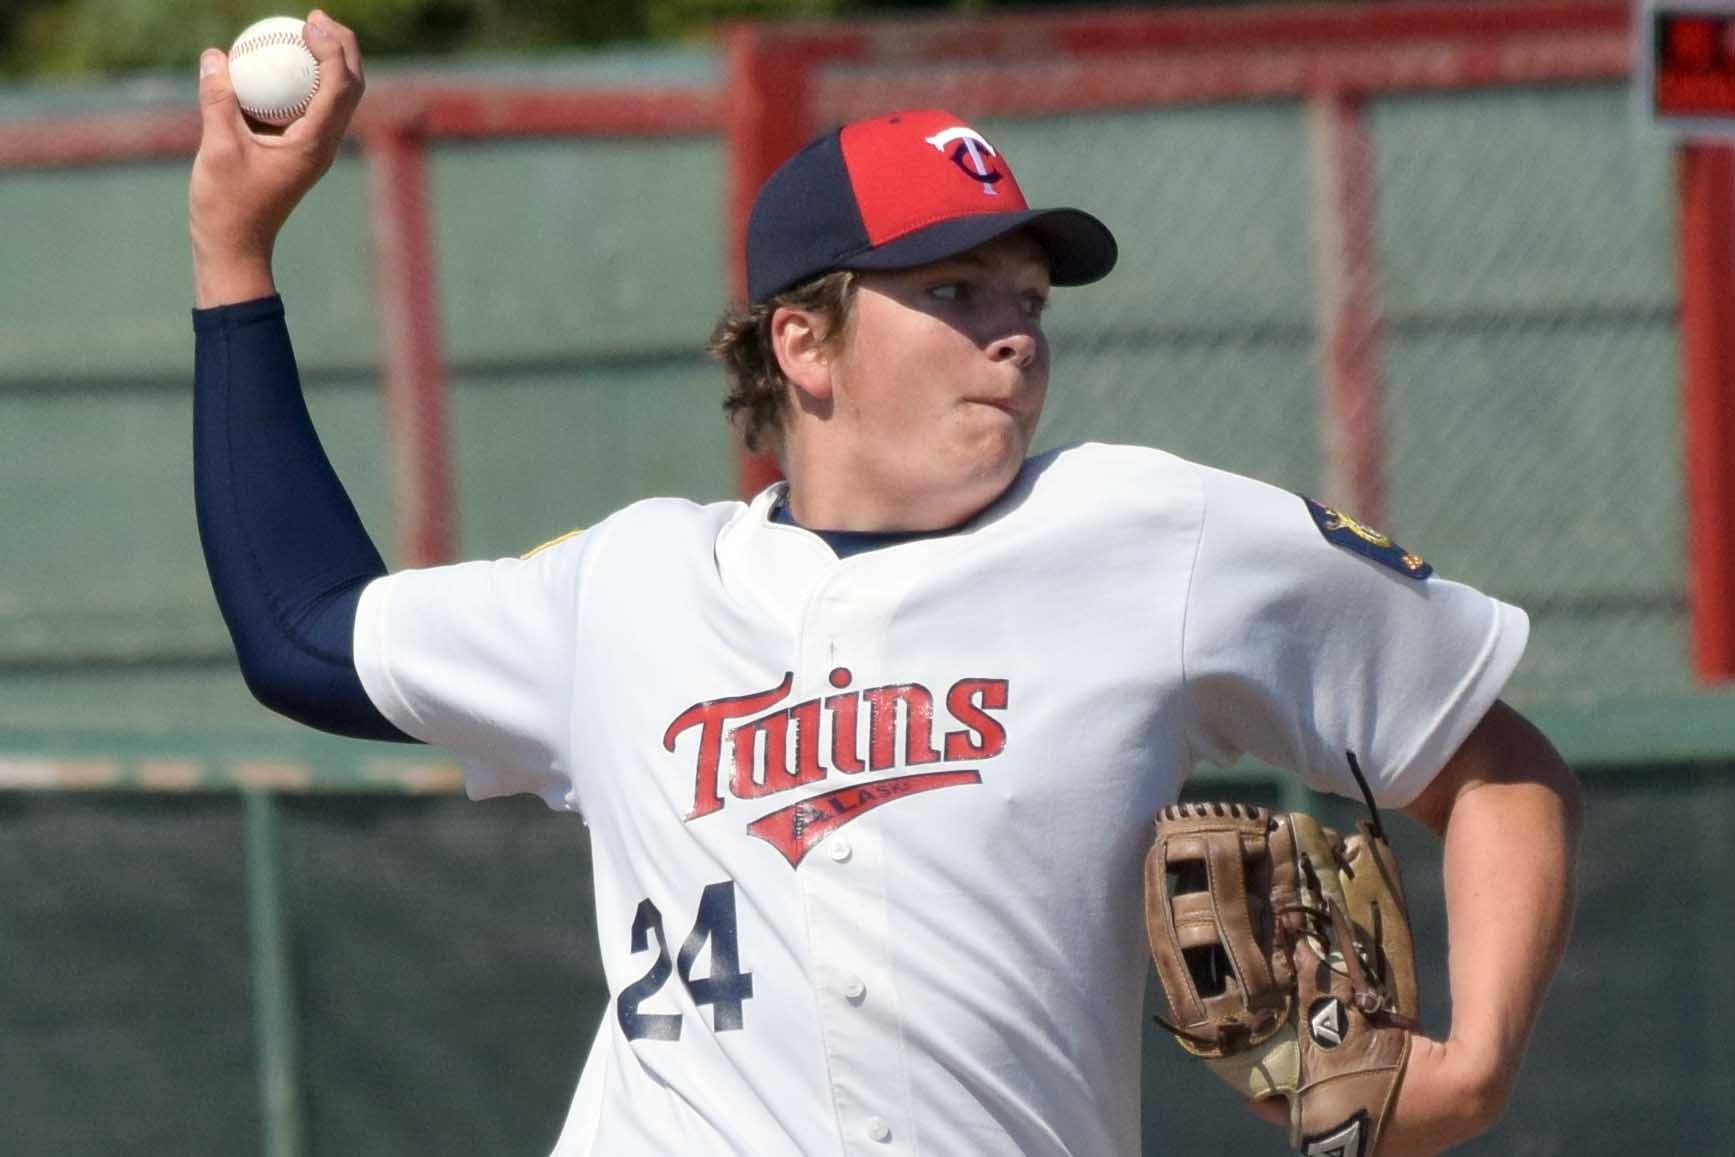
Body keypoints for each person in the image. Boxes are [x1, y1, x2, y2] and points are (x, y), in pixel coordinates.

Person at [190, 11, 1581, 1156]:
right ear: (805, 342)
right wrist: (232, 251)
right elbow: (300, 631)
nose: (1015, 341)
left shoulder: (1154, 531)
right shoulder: (629, 587)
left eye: (1027, 300)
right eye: (959, 293)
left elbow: (1494, 759)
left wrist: (1478, 1065)